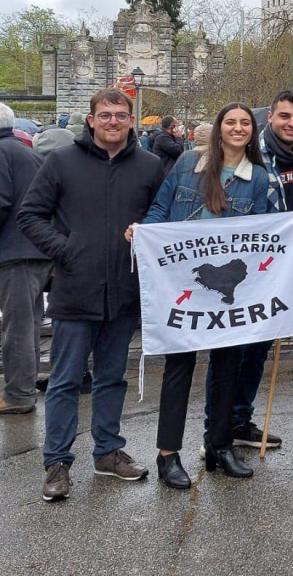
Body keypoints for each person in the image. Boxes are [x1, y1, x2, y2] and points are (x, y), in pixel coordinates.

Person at [18, 88, 163, 501]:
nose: (113, 121)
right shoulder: (61, 162)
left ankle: (108, 451)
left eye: (121, 115)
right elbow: (30, 214)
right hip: (74, 290)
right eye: (106, 115)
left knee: (112, 377)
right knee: (64, 381)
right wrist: (66, 249)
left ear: (132, 120)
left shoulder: (149, 166)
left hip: (123, 291)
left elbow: (161, 218)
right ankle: (57, 462)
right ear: (91, 119)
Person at [130, 102, 270, 489]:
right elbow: (160, 209)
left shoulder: (257, 177)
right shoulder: (188, 164)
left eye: (245, 123)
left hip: (229, 289)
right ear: (219, 128)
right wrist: (144, 233)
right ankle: (167, 455)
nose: (238, 128)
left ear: (251, 131)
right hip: (184, 284)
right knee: (180, 368)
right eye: (231, 122)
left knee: (228, 366)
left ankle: (219, 445)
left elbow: (262, 230)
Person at [199, 91, 293, 454]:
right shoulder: (254, 154)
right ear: (271, 119)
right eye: (285, 116)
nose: (291, 124)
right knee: (232, 348)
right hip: (247, 265)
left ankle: (240, 419)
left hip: (291, 261)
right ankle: (216, 427)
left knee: (260, 347)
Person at [0, 103, 48, 415]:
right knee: (27, 322)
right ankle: (25, 384)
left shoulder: (3, 151)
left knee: (16, 326)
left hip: (15, 251)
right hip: (35, 250)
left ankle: (18, 394)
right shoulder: (23, 150)